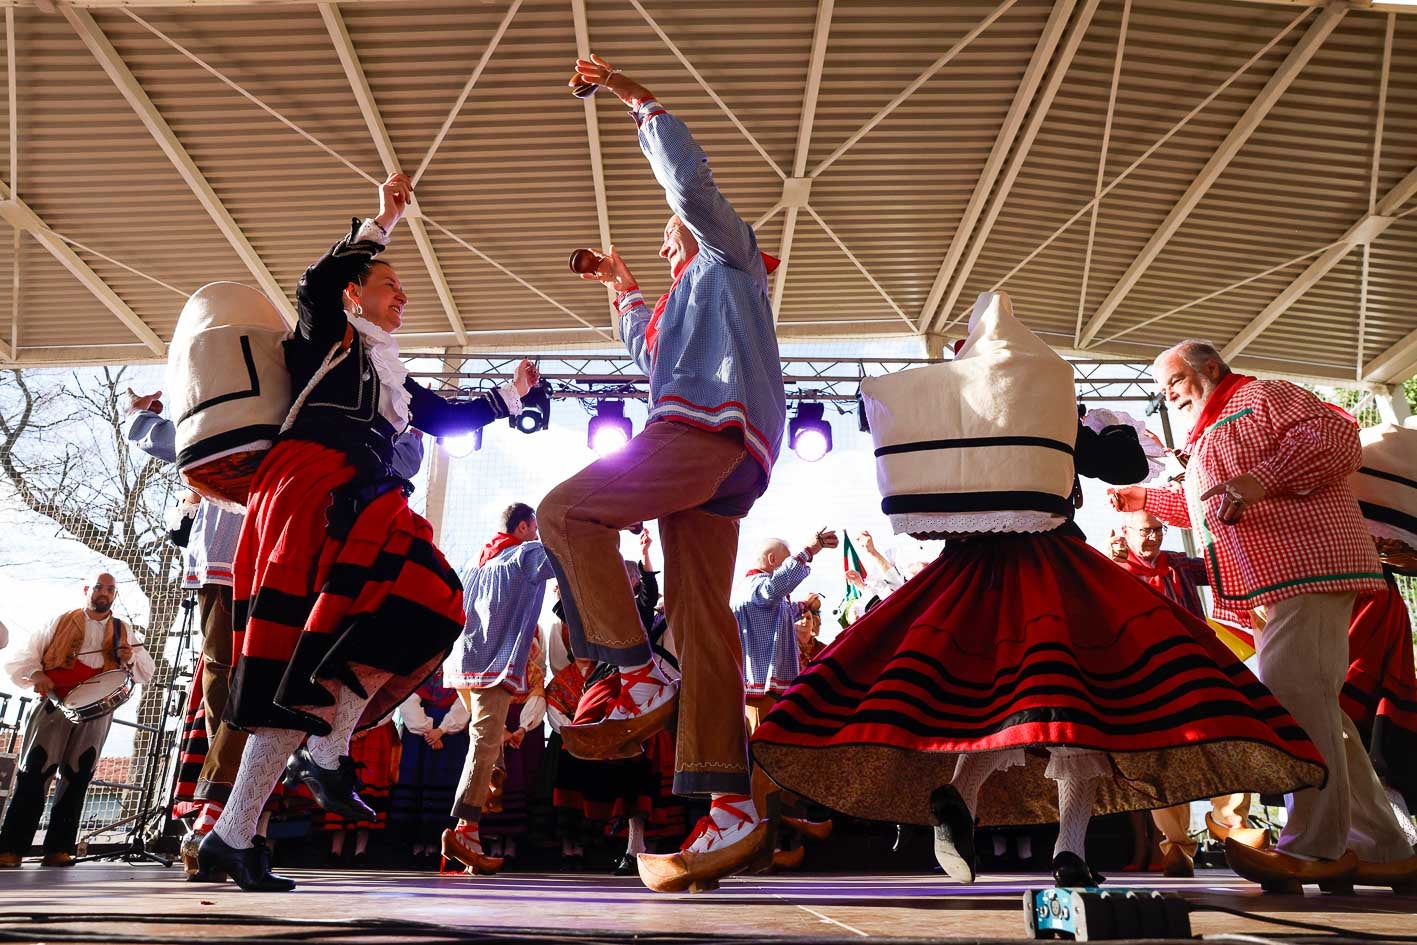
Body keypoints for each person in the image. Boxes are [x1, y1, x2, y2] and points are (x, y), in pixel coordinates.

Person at [751, 293, 1326, 889]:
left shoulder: (957, 416)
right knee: (1068, 707)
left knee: (995, 702)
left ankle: (960, 791)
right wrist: (1094, 421)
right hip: (1053, 572)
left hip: (968, 581)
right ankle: (1069, 849)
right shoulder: (1049, 408)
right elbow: (1126, 466)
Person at [195, 172, 539, 892]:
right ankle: (310, 766)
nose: (402, 297)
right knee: (393, 614)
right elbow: (317, 282)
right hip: (311, 492)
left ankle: (246, 823)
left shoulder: (392, 371)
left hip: (362, 497)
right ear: (359, 294)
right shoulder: (329, 335)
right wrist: (380, 222)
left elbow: (447, 419)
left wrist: (512, 394)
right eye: (390, 286)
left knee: (393, 625)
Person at [538, 54, 787, 892]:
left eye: (669, 230)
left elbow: (690, 191)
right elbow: (645, 346)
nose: (664, 231)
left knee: (565, 514)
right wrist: (619, 285)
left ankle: (633, 666)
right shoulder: (683, 301)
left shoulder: (732, 261)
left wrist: (634, 98)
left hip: (702, 435)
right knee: (704, 620)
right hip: (718, 457)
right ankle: (730, 803)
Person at [1111, 340, 1417, 893]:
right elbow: (1211, 507)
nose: (1168, 394)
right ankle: (1386, 850)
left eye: (1173, 380)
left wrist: (1258, 481)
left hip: (1310, 567)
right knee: (1323, 715)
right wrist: (1146, 500)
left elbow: (1336, 438)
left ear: (1208, 368)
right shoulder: (1207, 435)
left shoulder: (1264, 395)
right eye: (1161, 388)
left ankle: (1316, 850)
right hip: (1271, 586)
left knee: (1293, 700)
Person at [125, 391, 425, 876]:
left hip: (293, 557)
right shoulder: (245, 411)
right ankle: (226, 819)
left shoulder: (328, 415)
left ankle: (237, 820)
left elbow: (401, 459)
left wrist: (406, 423)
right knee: (231, 685)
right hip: (233, 563)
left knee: (276, 683)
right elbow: (179, 442)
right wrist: (142, 418)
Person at [1114, 509, 1267, 877]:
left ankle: (1230, 822)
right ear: (1125, 532)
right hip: (1147, 678)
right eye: (1144, 531)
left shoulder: (1178, 565)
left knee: (1228, 739)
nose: (1152, 538)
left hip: (1197, 667)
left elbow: (1221, 564)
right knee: (1161, 759)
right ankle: (1176, 846)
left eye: (1157, 530)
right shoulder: (1114, 569)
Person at [0, 572, 156, 867]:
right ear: (87, 589)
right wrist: (37, 674)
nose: (104, 593)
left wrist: (130, 657)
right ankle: (11, 848)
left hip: (97, 712)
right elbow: (26, 655)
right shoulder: (60, 620)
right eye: (99, 587)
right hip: (54, 703)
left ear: (114, 595)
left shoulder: (124, 630)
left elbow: (146, 671)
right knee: (35, 771)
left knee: (78, 775)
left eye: (110, 589)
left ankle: (58, 848)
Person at [440, 503, 555, 874]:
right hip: (494, 663)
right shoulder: (526, 553)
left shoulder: (477, 559)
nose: (537, 536)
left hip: (462, 663)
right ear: (523, 526)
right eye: (536, 529)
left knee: (489, 746)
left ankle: (472, 838)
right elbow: (564, 561)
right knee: (485, 743)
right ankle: (464, 828)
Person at [392, 667, 470, 871]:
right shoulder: (420, 670)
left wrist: (441, 730)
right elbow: (408, 699)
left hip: (449, 740)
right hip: (421, 737)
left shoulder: (460, 671)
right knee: (418, 783)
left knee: (444, 784)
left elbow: (464, 702)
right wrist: (430, 731)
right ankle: (417, 845)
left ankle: (438, 846)